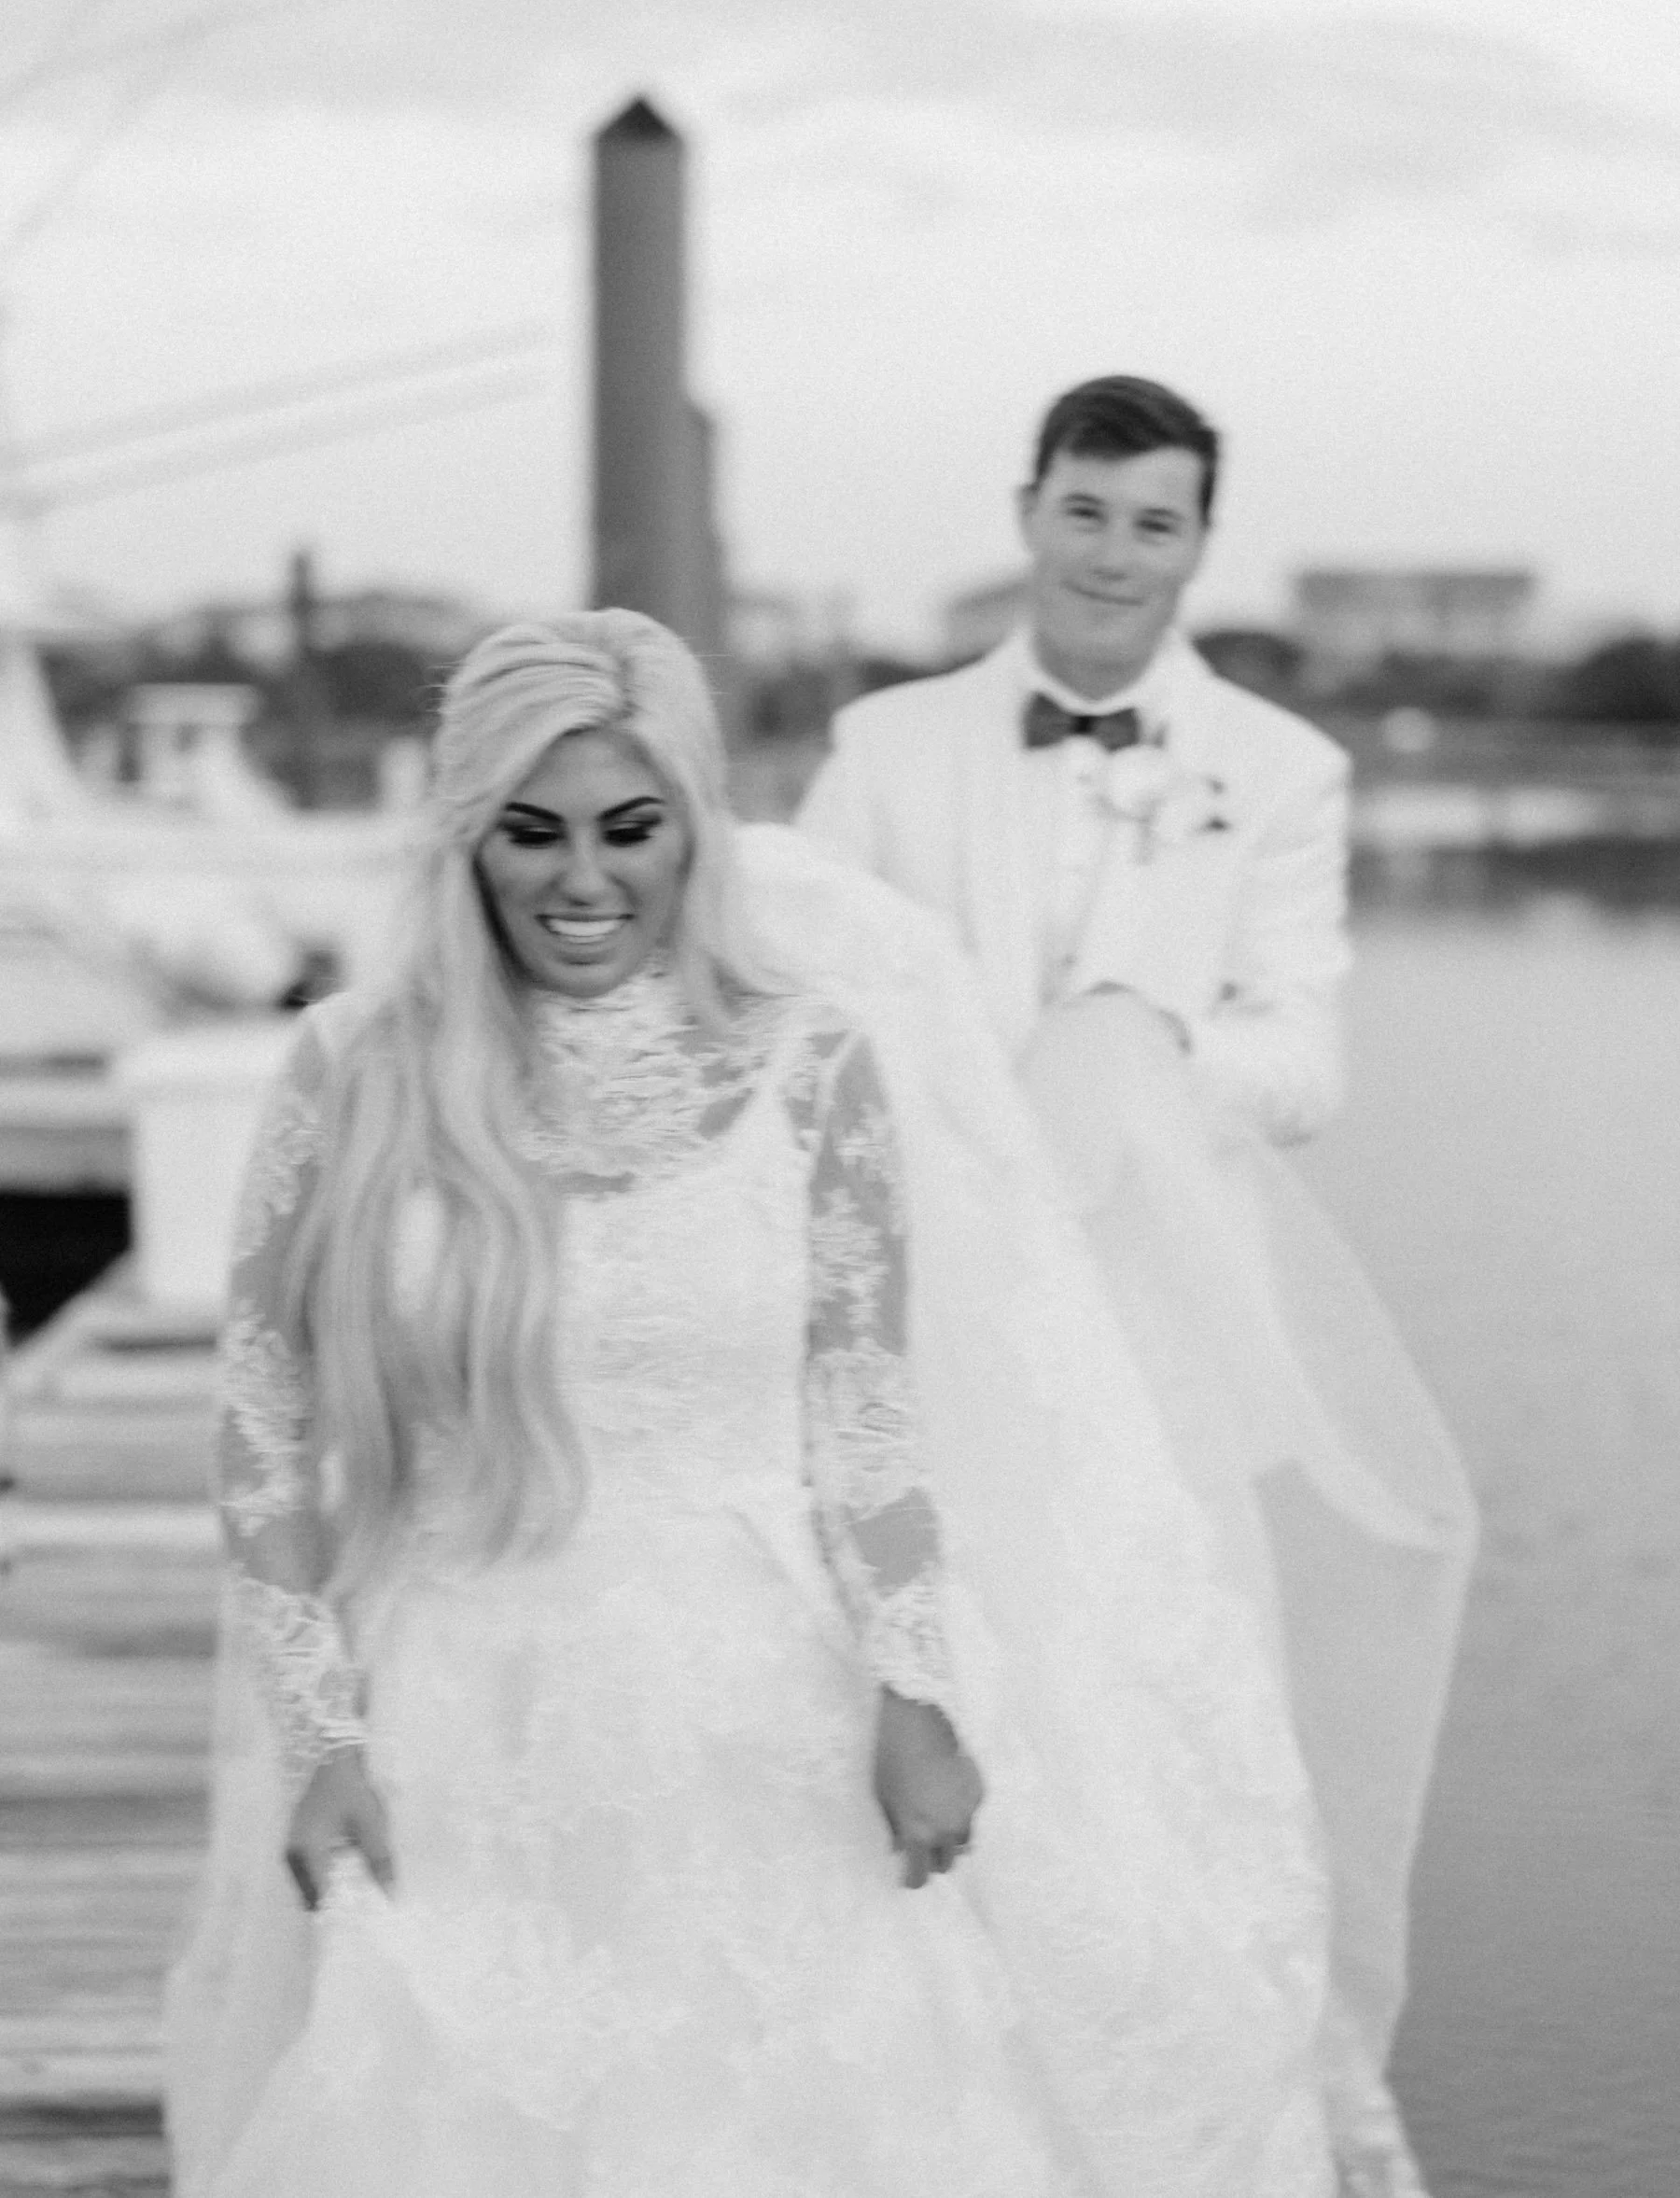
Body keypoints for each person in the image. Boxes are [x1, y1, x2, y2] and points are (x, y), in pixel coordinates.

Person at [165, 611, 1339, 2197]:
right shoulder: (350, 1069)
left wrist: (916, 1695)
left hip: (766, 1710)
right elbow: (261, 1421)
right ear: (467, 842)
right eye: (533, 833)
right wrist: (321, 1740)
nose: (584, 881)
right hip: (460, 1717)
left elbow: (863, 1416)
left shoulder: (813, 1061)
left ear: (696, 830)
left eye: (631, 829)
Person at [798, 376, 1480, 2192]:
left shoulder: (1283, 768)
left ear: (1198, 540)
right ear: (1029, 509)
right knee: (956, 1656)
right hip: (935, 1304)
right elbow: (804, 1010)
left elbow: (1305, 1059)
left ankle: (1229, 2081)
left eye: (1154, 521)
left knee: (1163, 1691)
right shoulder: (883, 746)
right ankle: (955, 2074)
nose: (1114, 554)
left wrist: (1129, 1053)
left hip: (1173, 1317)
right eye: (1086, 511)